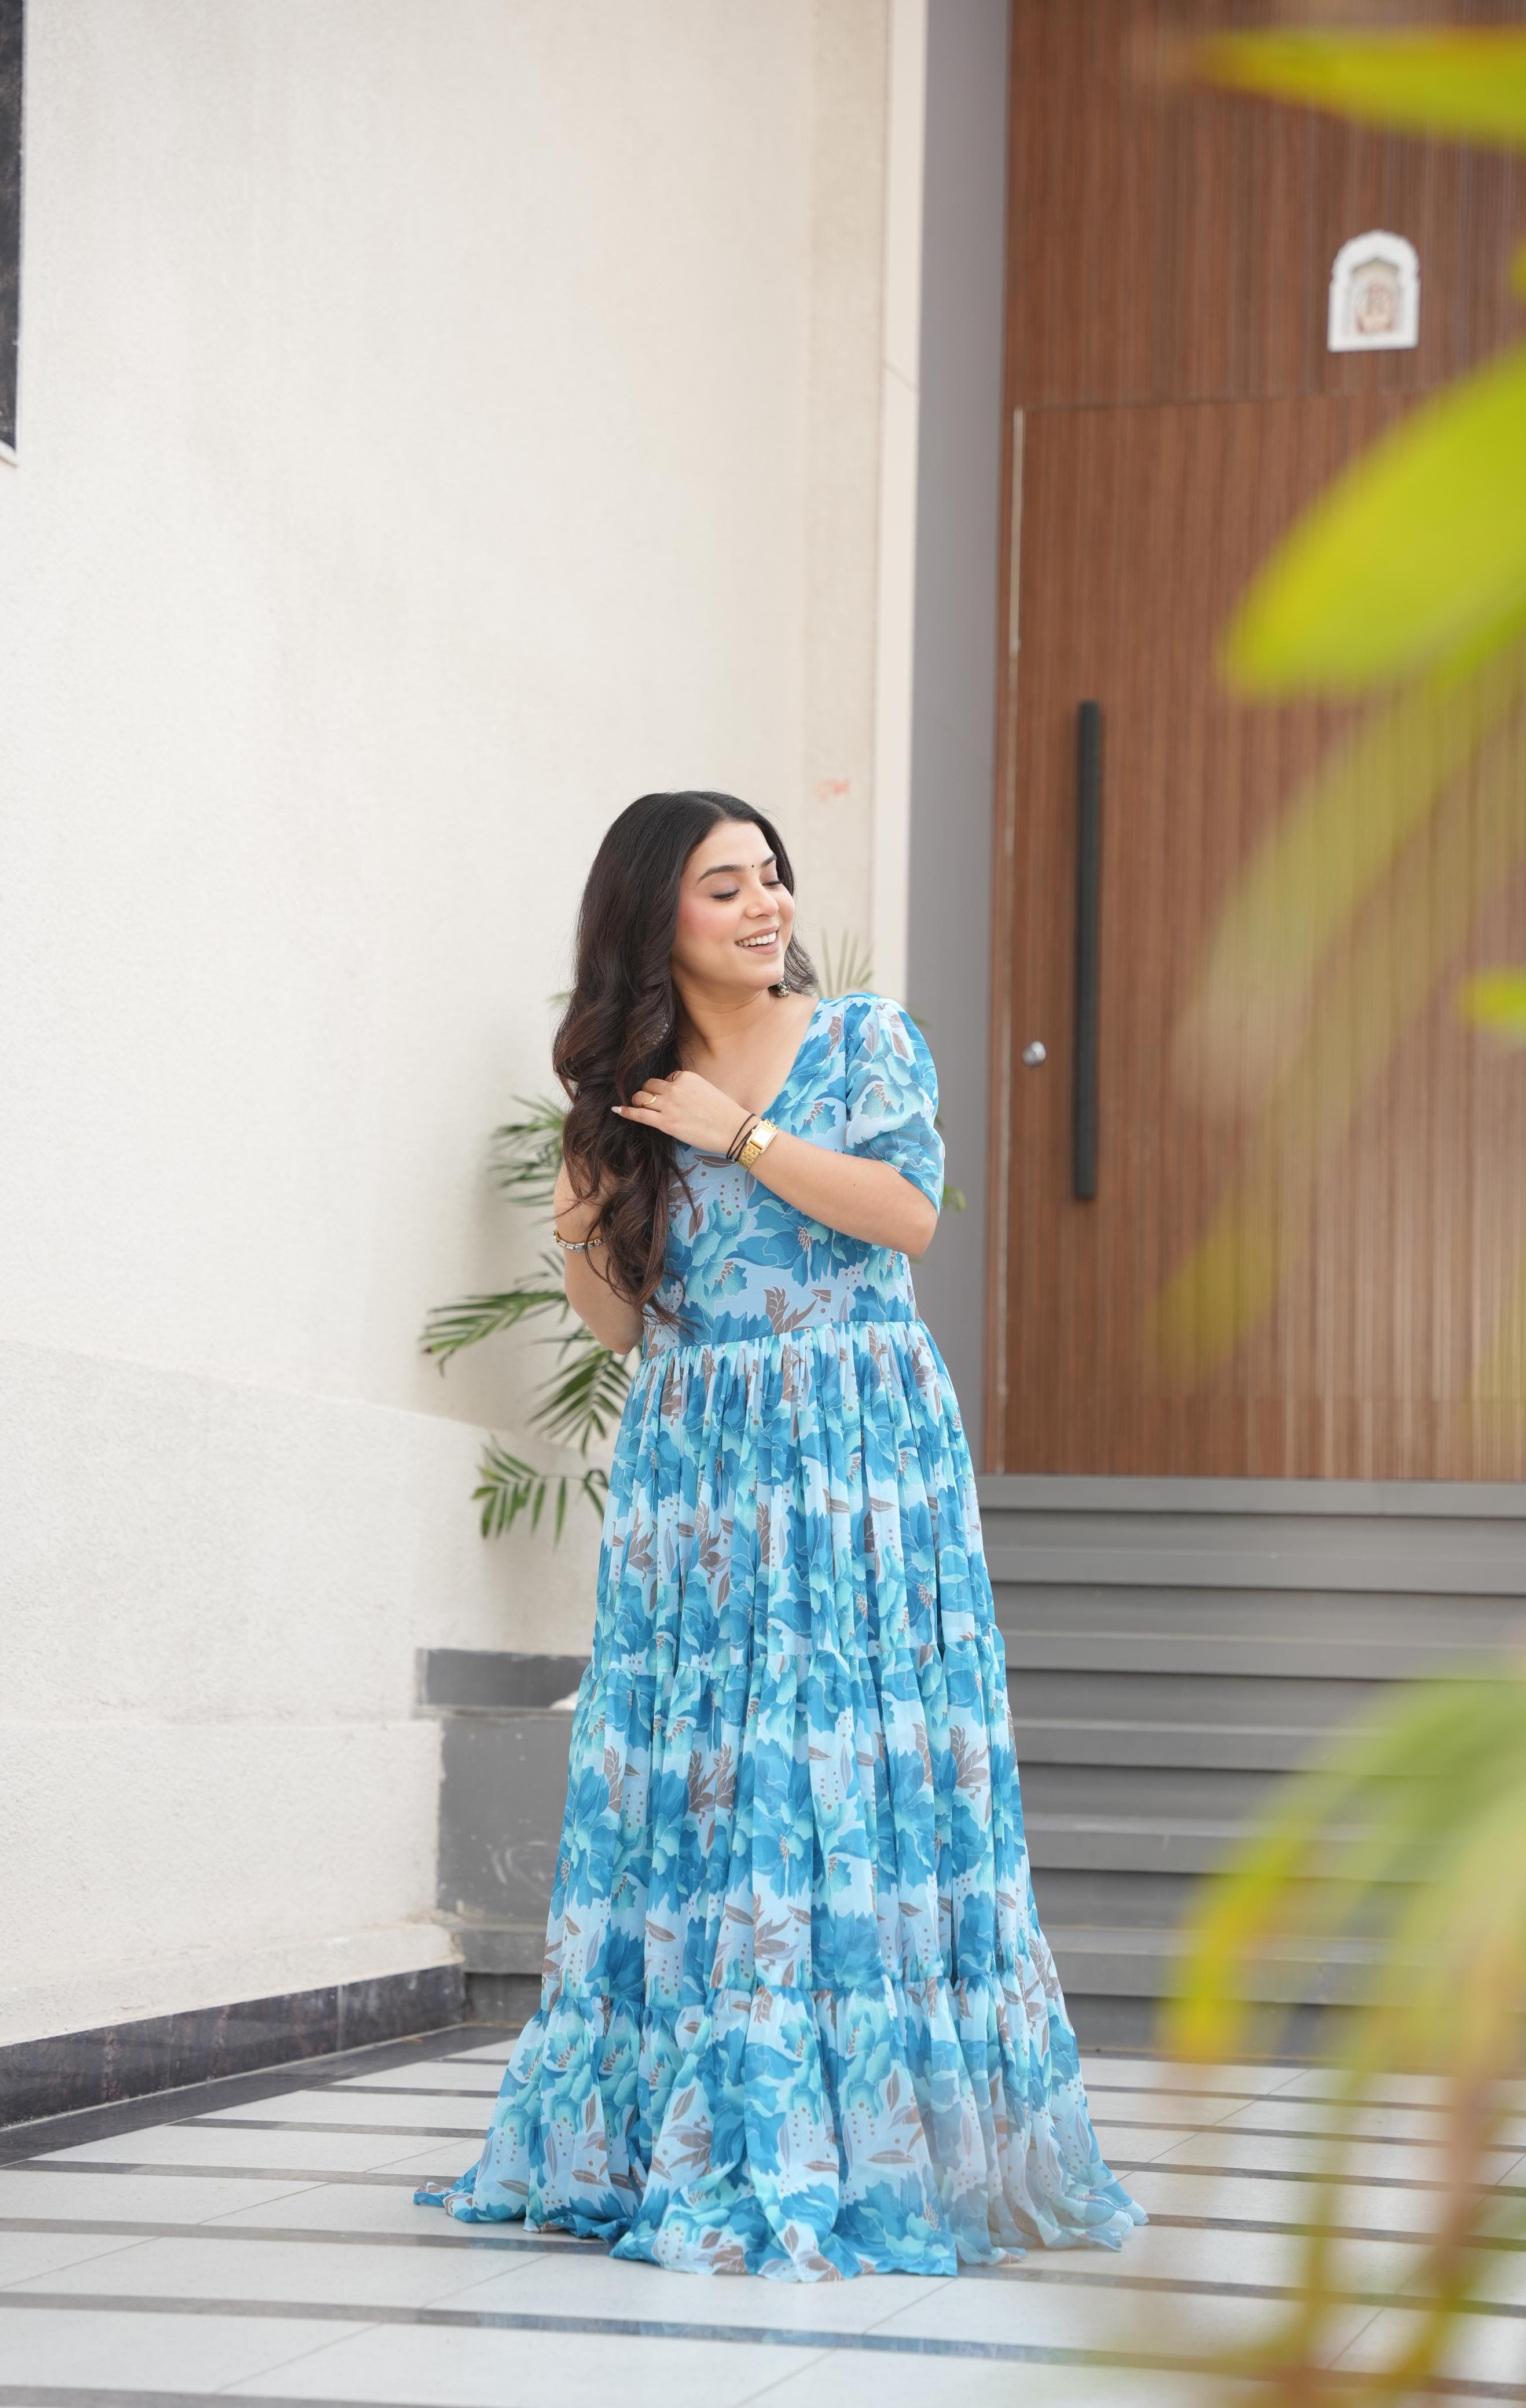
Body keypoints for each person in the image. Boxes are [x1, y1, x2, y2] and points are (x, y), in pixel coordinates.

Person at [416, 790, 1143, 2279]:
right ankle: (678, 2132)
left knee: (848, 1764)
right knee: (703, 1778)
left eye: (774, 877)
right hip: (697, 1463)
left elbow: (910, 1213)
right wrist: (577, 1218)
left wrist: (739, 1133)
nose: (767, 907)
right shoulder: (634, 1087)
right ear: (652, 920)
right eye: (725, 887)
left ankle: (874, 2137)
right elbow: (629, 1324)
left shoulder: (862, 1039)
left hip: (856, 1443)